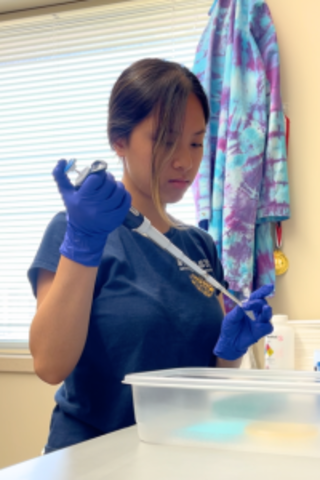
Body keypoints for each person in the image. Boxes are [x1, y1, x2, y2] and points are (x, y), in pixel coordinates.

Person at [27, 58, 273, 453]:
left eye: (195, 142)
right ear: (119, 141)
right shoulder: (77, 232)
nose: (185, 160)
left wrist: (230, 353)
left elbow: (204, 383)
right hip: (93, 460)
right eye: (165, 140)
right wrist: (83, 241)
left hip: (178, 453)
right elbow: (49, 365)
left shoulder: (198, 245)